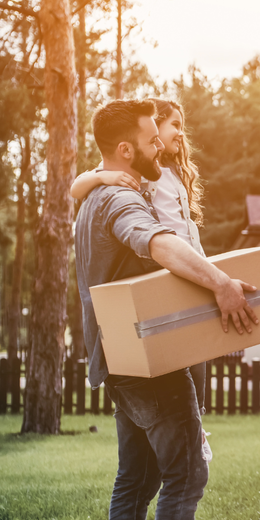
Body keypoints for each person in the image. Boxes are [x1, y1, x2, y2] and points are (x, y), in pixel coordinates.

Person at [76, 99, 256, 520]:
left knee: (137, 476)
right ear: (127, 148)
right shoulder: (117, 201)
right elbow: (158, 242)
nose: (163, 146)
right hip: (149, 364)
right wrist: (221, 283)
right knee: (185, 472)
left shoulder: (94, 198)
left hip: (118, 358)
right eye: (153, 140)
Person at [71, 99, 209, 408]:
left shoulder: (171, 173)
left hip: (191, 268)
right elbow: (76, 186)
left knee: (197, 375)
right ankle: (194, 434)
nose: (178, 134)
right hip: (170, 269)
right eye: (173, 125)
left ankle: (198, 426)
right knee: (180, 385)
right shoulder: (136, 175)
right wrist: (102, 177)